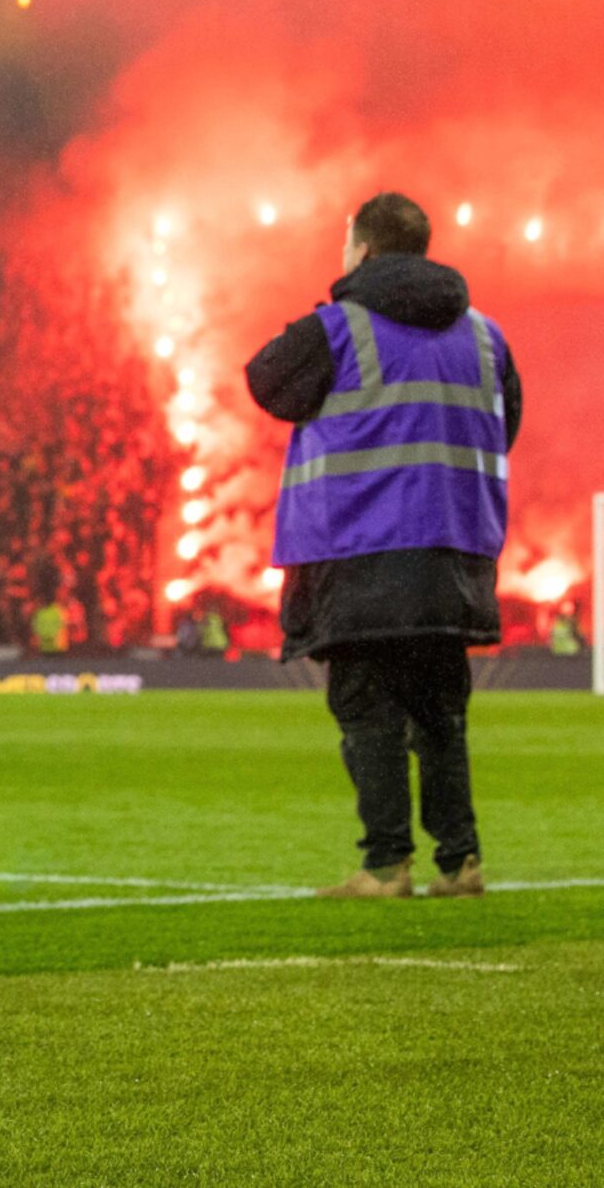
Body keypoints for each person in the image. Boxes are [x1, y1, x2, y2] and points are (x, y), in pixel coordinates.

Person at [247, 191, 521, 900]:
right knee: (439, 714)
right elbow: (505, 423)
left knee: (368, 711)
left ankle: (385, 865)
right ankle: (461, 862)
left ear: (362, 250)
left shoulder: (335, 330)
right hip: (455, 553)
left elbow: (265, 382)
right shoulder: (488, 338)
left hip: (358, 551)